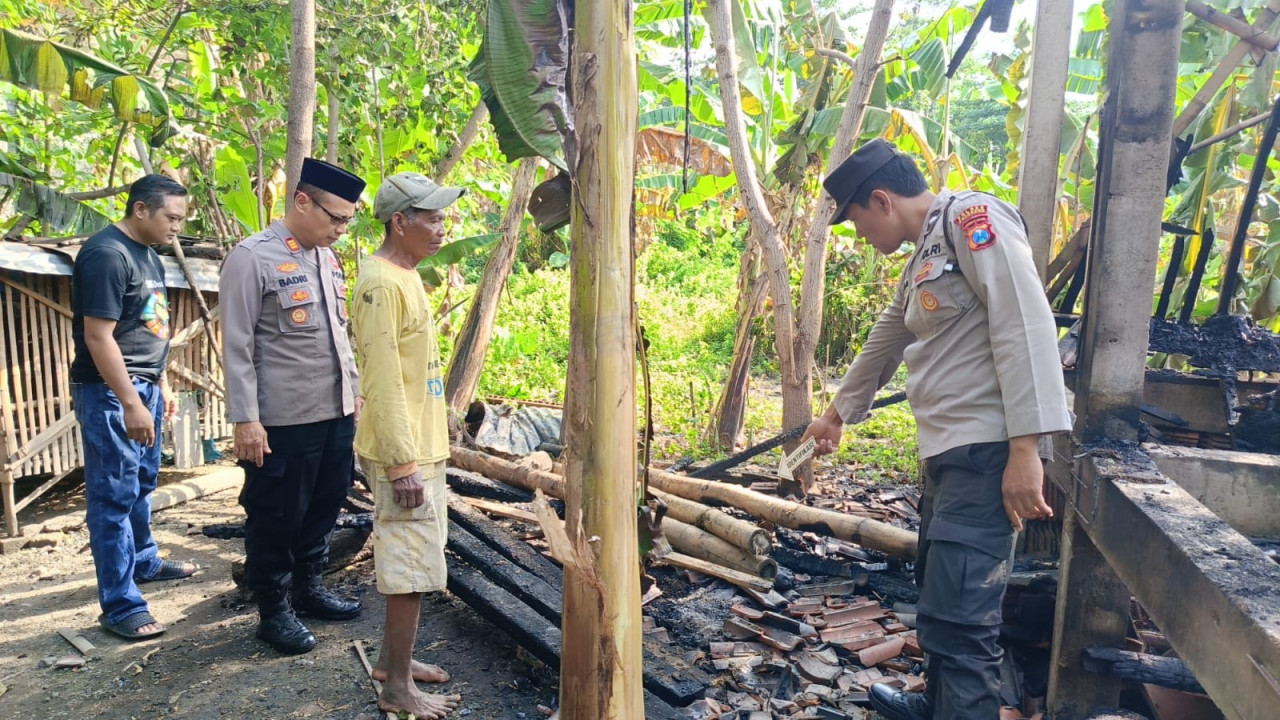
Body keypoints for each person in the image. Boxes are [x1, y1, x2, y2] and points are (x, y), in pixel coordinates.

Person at [803, 139, 1070, 720]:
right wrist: (836, 413)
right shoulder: (925, 251)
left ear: (881, 199)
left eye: (855, 222)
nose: (857, 235)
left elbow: (1024, 320)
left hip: (988, 453)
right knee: (942, 597)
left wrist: (1028, 448)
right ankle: (942, 706)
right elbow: (887, 335)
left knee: (964, 616)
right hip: (950, 454)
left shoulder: (974, 220)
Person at [220, 158, 366, 655]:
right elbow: (237, 345)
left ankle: (309, 588)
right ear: (301, 201)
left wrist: (354, 392)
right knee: (275, 515)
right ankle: (273, 610)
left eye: (348, 219)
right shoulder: (251, 257)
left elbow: (337, 337)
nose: (342, 229)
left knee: (325, 504)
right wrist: (246, 418)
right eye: (335, 218)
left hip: (335, 413)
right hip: (281, 420)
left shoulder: (326, 258)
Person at [350, 172, 465, 719]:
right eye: (432, 218)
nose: (442, 228)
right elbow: (382, 380)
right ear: (401, 222)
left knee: (418, 563)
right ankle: (397, 686)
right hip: (405, 450)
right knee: (410, 569)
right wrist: (402, 464)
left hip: (421, 443)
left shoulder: (405, 275)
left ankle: (392, 662)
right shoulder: (380, 284)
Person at [71, 174, 197, 641]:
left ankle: (143, 561)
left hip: (144, 386)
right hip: (110, 391)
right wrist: (129, 402)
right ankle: (120, 603)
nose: (177, 228)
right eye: (172, 217)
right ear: (141, 209)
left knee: (142, 482)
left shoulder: (148, 253)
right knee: (113, 495)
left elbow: (150, 325)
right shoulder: (107, 254)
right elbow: (98, 337)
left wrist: (158, 384)